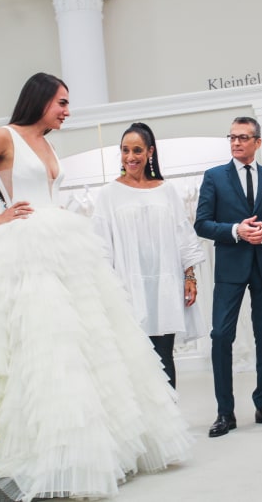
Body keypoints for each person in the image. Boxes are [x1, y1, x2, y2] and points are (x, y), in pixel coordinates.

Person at [0, 73, 192, 502]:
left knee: (77, 339)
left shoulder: (48, 143)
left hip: (58, 243)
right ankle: (30, 442)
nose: (66, 110)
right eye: (62, 102)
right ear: (40, 100)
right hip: (21, 245)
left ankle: (89, 440)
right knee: (29, 336)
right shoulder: (3, 136)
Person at [194, 116, 262, 438]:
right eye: (232, 137)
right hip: (230, 268)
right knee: (221, 336)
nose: (236, 143)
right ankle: (225, 412)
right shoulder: (214, 177)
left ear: (257, 142)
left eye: (243, 138)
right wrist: (236, 230)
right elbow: (202, 224)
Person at [92, 122, 206, 389]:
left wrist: (190, 276)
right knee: (133, 357)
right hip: (128, 286)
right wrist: (106, 291)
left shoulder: (166, 190)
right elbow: (100, 246)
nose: (130, 157)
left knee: (165, 356)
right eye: (124, 150)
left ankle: (170, 422)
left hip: (164, 285)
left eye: (137, 150)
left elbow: (183, 235)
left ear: (150, 152)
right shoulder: (108, 195)